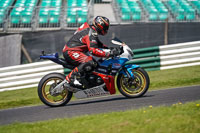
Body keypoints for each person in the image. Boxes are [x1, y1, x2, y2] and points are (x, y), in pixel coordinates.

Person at [62, 16, 120, 89]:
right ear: (100, 25)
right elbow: (93, 50)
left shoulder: (91, 30)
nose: (106, 30)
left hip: (75, 50)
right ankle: (72, 78)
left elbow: (98, 44)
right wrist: (109, 53)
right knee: (89, 61)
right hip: (71, 51)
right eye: (105, 27)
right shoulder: (91, 33)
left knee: (95, 64)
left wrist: (109, 49)